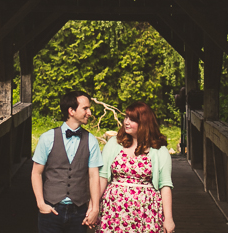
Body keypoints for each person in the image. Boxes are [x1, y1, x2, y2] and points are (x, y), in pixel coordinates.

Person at [96, 101, 175, 233]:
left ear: (144, 123)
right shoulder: (114, 144)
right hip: (113, 211)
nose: (126, 122)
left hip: (146, 212)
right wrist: (93, 207)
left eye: (132, 119)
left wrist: (169, 218)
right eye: (126, 117)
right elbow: (102, 177)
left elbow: (165, 186)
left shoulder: (159, 150)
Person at [32, 90, 103, 233]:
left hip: (79, 212)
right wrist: (41, 203)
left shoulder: (91, 141)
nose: (89, 113)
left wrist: (95, 208)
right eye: (85, 108)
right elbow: (36, 173)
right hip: (51, 210)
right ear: (71, 111)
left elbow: (94, 176)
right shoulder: (47, 138)